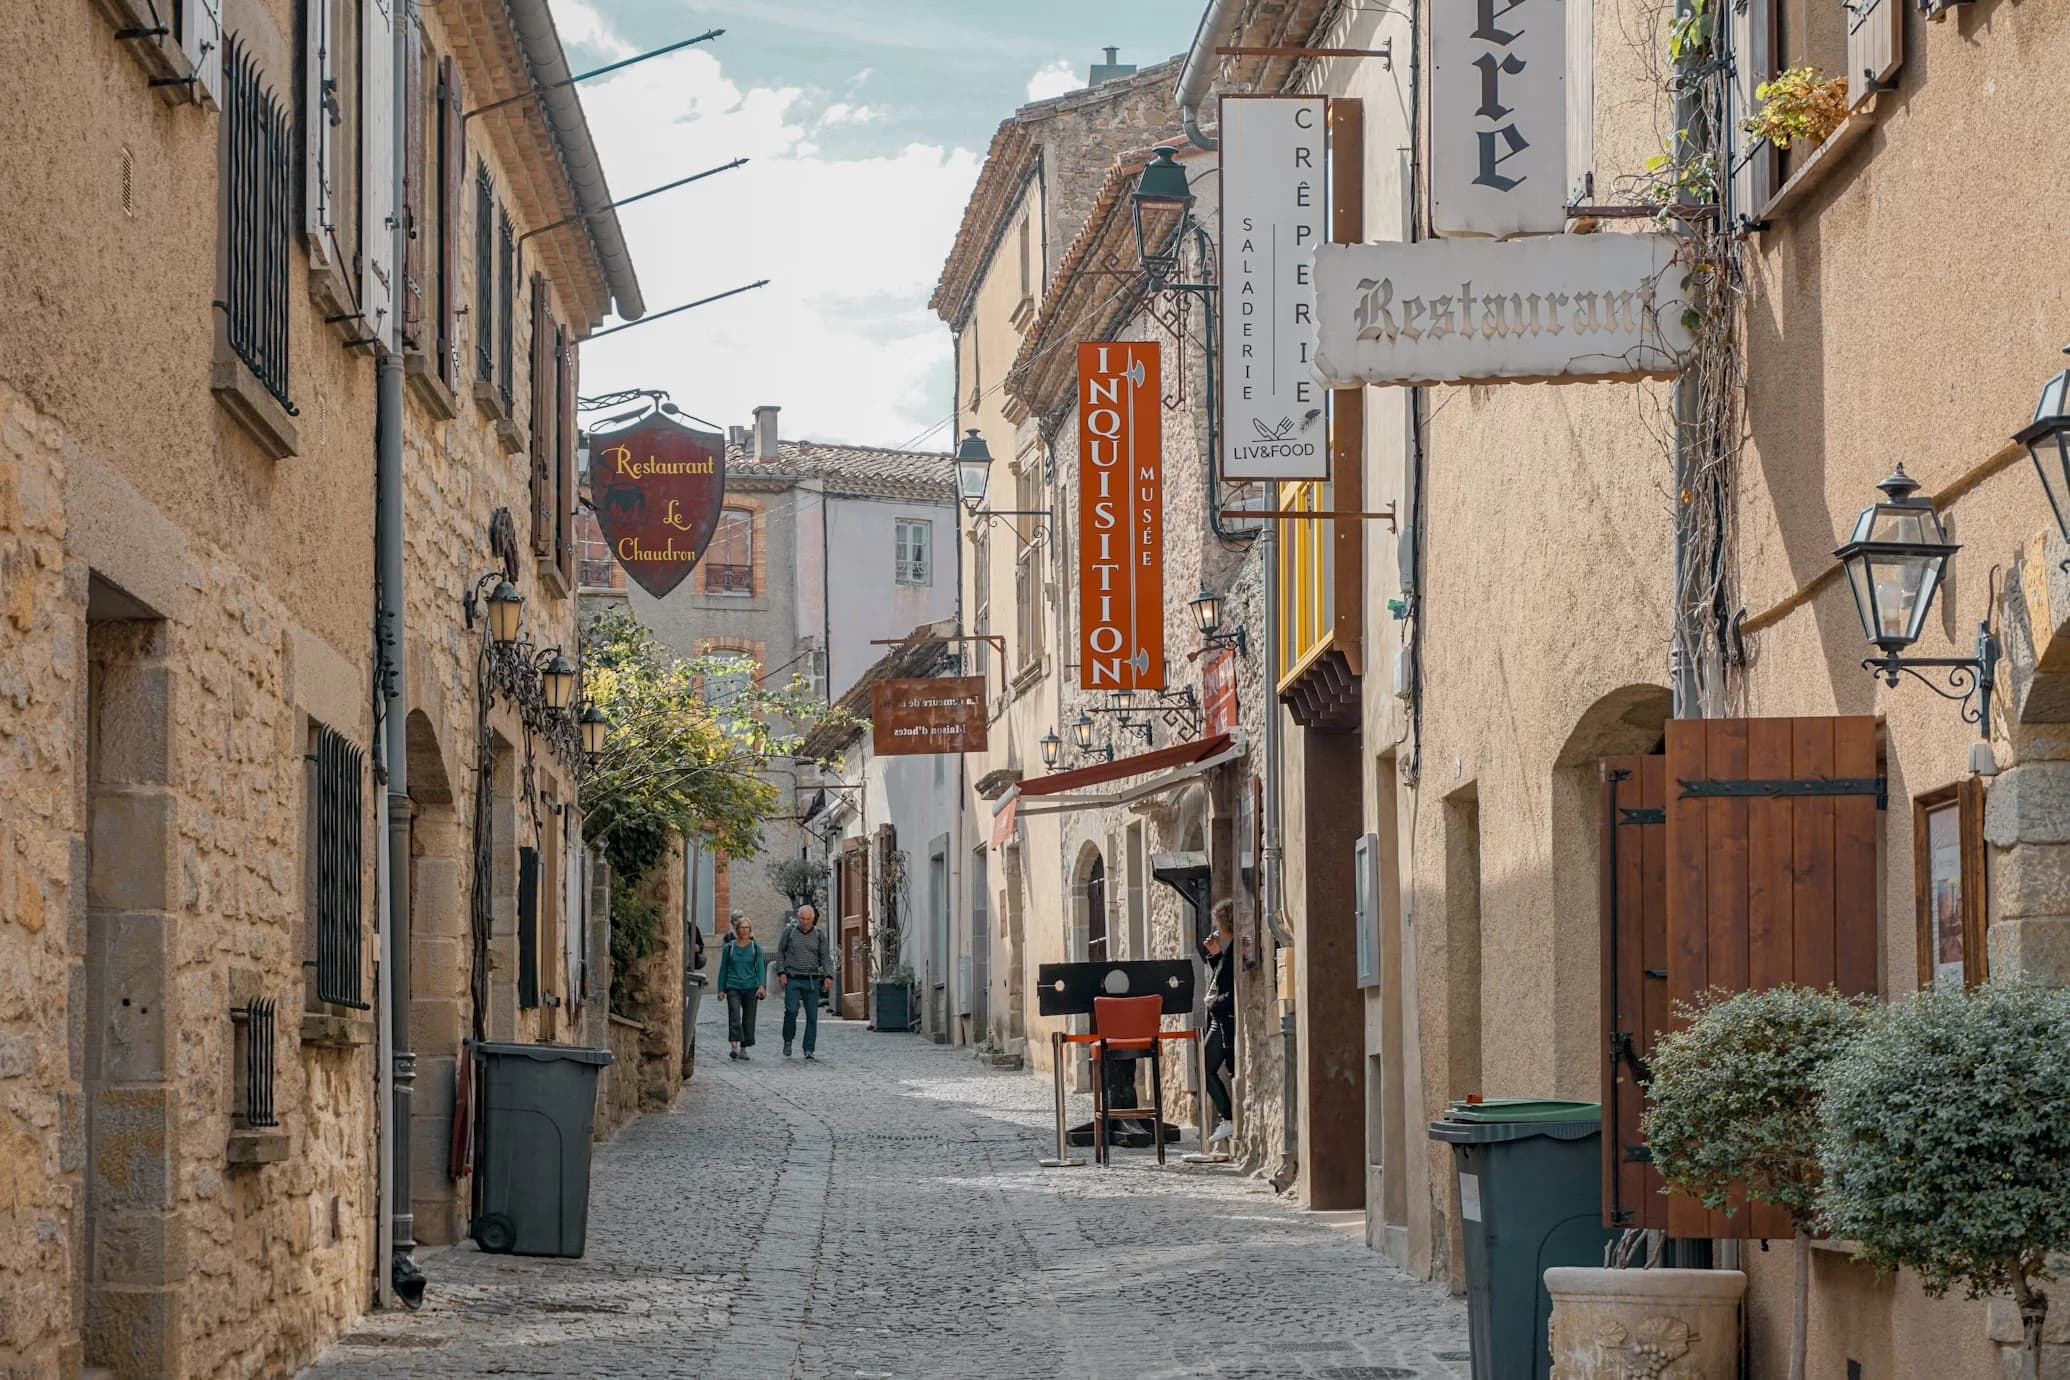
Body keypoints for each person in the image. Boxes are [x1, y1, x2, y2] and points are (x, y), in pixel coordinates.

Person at [1200, 901, 1237, 1147]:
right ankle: (1227, 1117)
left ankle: (1228, 1118)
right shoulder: (1230, 950)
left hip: (1221, 1018)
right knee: (1206, 1067)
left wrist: (1214, 1005)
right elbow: (1223, 979)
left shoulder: (1236, 949)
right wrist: (1215, 956)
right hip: (1218, 1019)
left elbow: (1231, 988)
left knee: (1206, 1067)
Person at [778, 903, 833, 1060]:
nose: (805, 922)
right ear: (797, 917)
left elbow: (825, 957)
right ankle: (788, 1040)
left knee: (812, 1015)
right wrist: (781, 972)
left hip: (811, 980)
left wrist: (828, 976)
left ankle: (808, 1049)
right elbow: (781, 952)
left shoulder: (819, 935)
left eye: (808, 919)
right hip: (793, 978)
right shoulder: (789, 932)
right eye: (802, 918)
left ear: (813, 919)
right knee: (791, 1011)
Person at [717, 913, 765, 1060]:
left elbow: (760, 968)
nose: (744, 930)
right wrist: (720, 989)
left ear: (750, 930)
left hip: (751, 986)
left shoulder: (755, 948)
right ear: (736, 930)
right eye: (741, 928)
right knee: (734, 1015)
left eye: (747, 928)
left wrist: (761, 986)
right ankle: (734, 1046)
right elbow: (723, 969)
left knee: (749, 1019)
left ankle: (744, 1047)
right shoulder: (729, 948)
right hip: (733, 986)